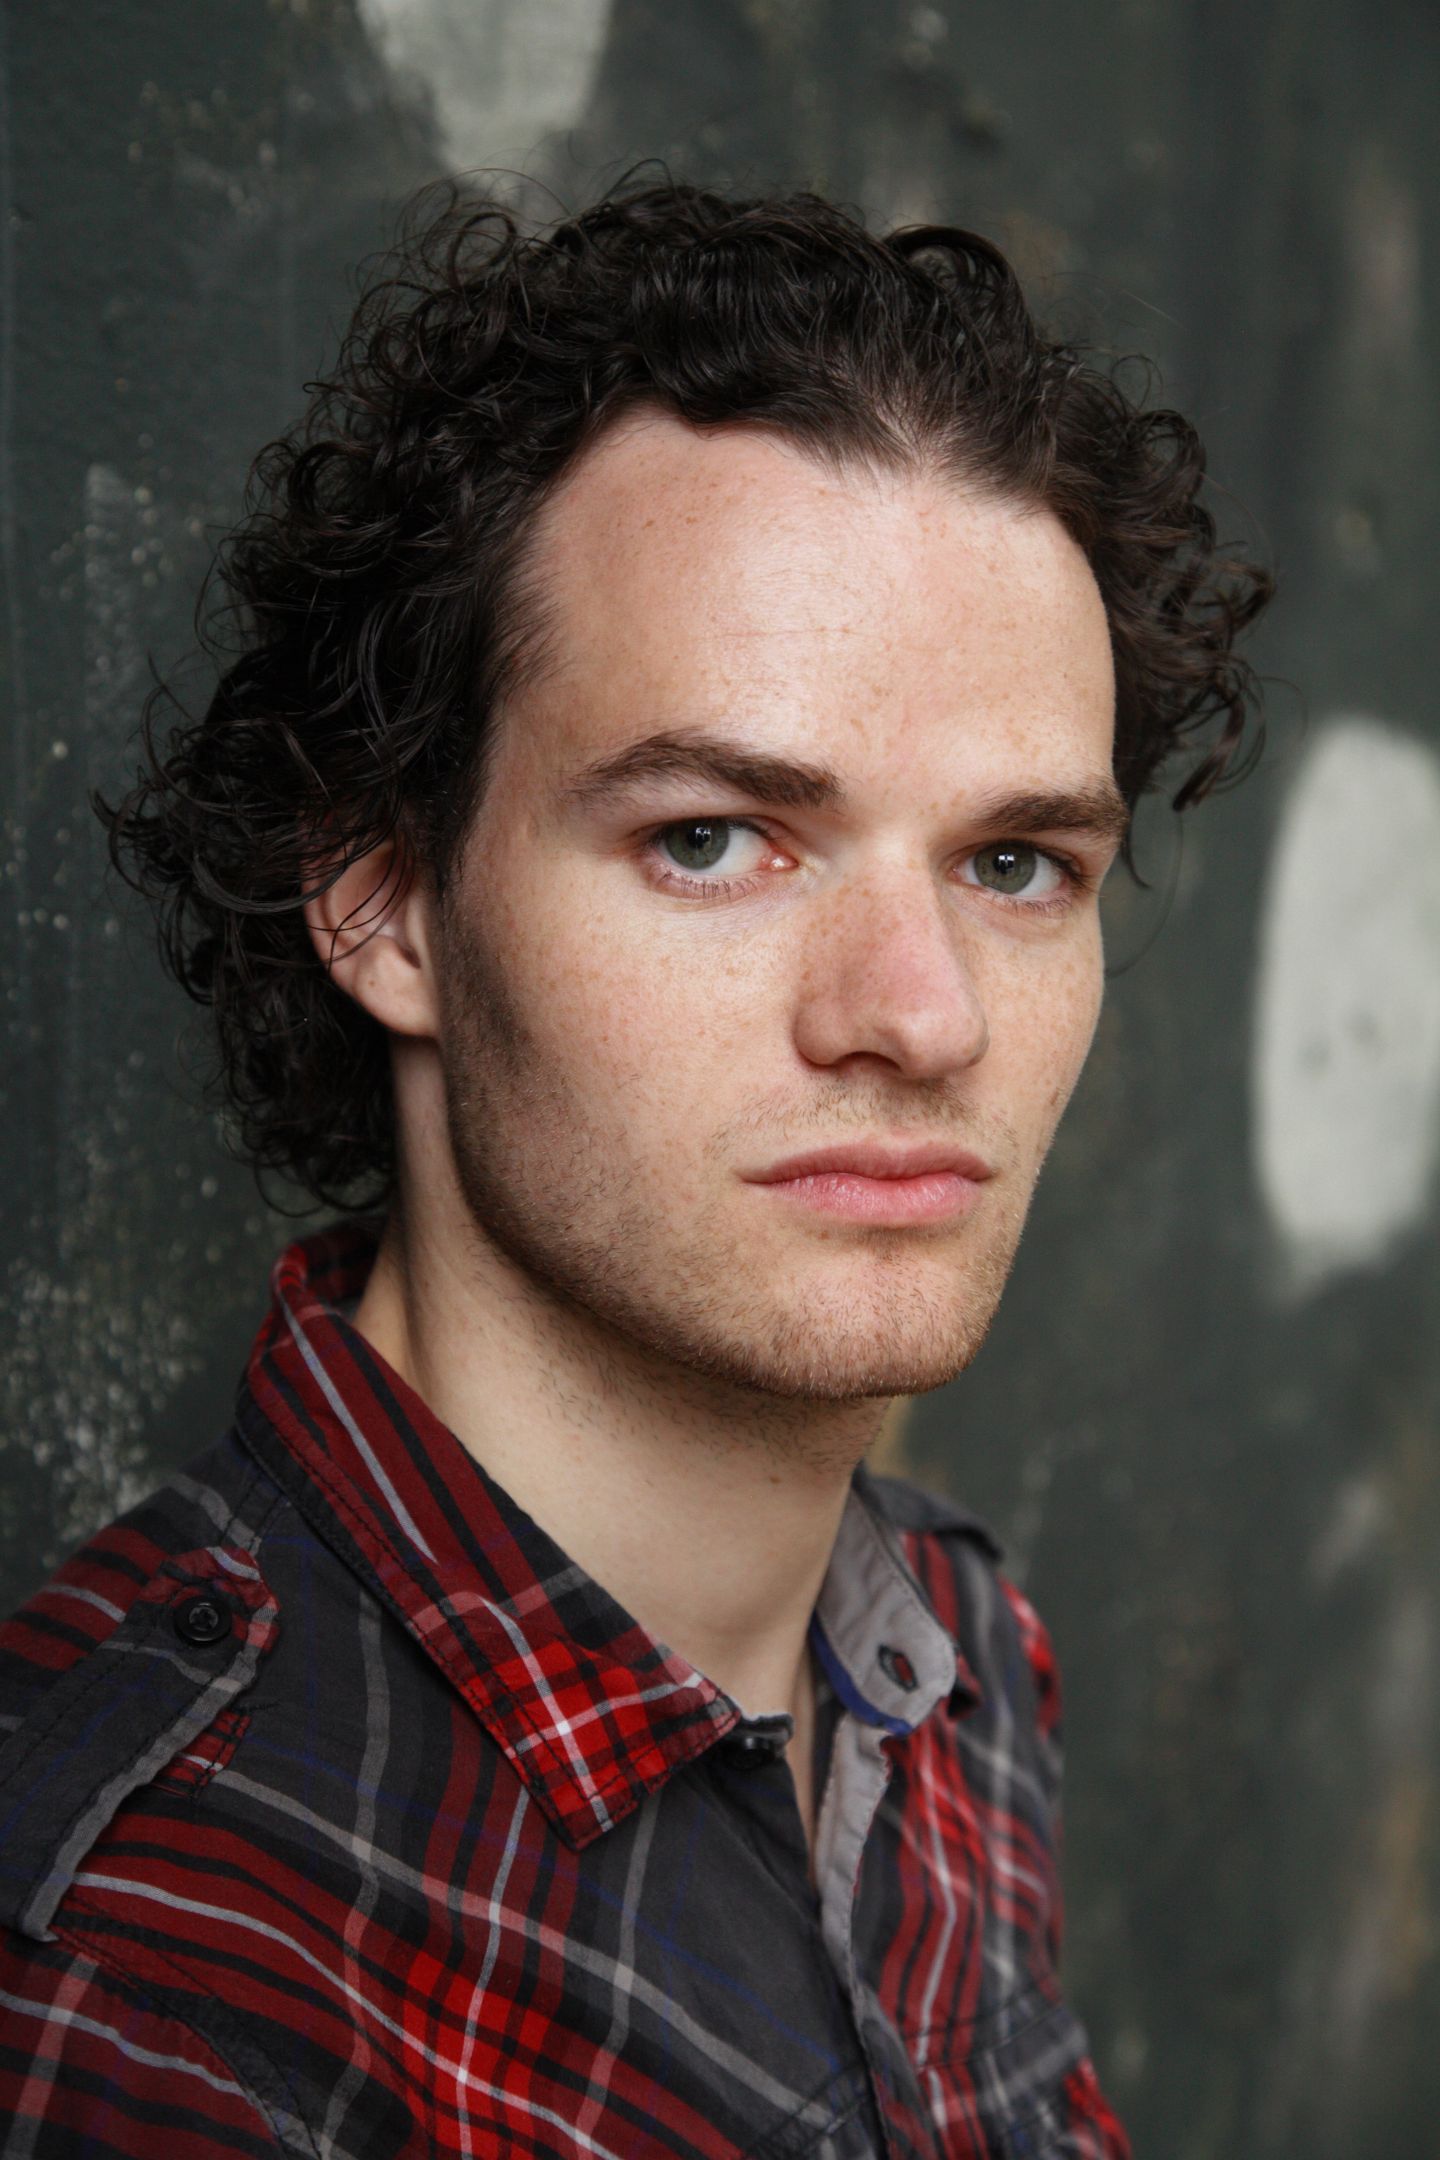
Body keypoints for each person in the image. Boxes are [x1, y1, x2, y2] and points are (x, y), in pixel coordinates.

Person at [0, 176, 1268, 2157]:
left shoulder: (951, 1654)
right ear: (388, 903)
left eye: (1016, 863)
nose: (922, 1015)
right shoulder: (146, 1977)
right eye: (711, 839)